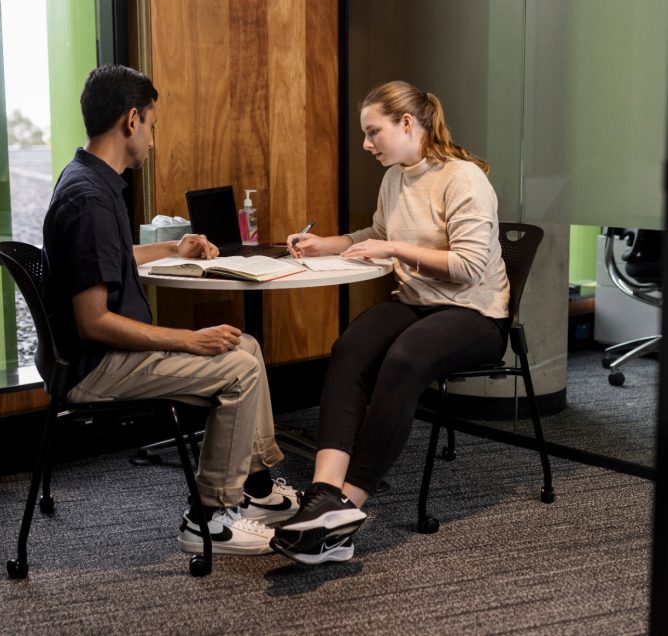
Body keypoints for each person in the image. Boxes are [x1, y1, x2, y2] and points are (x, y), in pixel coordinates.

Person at [42, 64, 299, 556]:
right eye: (153, 126)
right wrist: (188, 339)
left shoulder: (90, 181)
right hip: (91, 366)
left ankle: (258, 488)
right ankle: (209, 518)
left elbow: (109, 262)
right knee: (239, 368)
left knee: (245, 343)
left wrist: (170, 250)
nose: (153, 140)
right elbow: (92, 321)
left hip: (89, 355)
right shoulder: (90, 199)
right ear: (132, 121)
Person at [272, 80, 510, 565]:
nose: (366, 144)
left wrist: (394, 249)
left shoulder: (463, 178)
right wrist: (329, 243)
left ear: (407, 124)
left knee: (403, 358)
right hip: (418, 303)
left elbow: (467, 267)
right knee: (350, 348)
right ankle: (322, 494)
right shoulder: (396, 177)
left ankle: (345, 509)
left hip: (475, 314)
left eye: (372, 131)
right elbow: (379, 234)